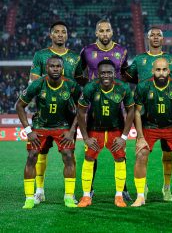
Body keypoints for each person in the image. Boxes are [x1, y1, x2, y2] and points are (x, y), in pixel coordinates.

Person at [125, 27, 172, 202]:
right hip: (145, 116)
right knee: (141, 153)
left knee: (169, 154)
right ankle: (141, 188)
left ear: (163, 38)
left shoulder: (171, 59)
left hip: (168, 115)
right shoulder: (139, 59)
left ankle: (166, 188)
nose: (155, 37)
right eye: (152, 35)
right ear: (147, 38)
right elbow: (128, 77)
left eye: (158, 35)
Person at [29, 21, 84, 205]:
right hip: (44, 115)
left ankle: (70, 193)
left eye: (64, 32)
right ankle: (39, 191)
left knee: (69, 154)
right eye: (57, 32)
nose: (60, 35)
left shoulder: (75, 58)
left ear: (67, 36)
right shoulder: (40, 55)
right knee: (39, 153)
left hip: (68, 116)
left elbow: (79, 87)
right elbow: (34, 83)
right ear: (50, 35)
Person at [16, 55, 81, 209]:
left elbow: (82, 108)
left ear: (62, 67)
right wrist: (28, 131)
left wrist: (72, 131)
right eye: (52, 66)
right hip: (40, 126)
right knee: (32, 156)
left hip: (63, 125)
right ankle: (30, 197)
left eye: (58, 66)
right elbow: (19, 106)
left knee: (68, 155)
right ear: (46, 68)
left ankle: (69, 196)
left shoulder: (71, 85)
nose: (55, 69)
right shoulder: (38, 84)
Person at [79, 19, 131, 200]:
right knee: (91, 150)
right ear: (96, 33)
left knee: (120, 148)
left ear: (112, 32)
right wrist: (90, 88)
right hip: (94, 108)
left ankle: (123, 190)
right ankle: (89, 190)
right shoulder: (87, 51)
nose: (105, 34)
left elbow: (125, 73)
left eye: (107, 30)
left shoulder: (122, 51)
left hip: (116, 106)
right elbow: (79, 73)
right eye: (101, 31)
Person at [131, 58, 172, 207]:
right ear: (153, 71)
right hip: (150, 126)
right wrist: (140, 137)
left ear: (169, 71)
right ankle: (140, 196)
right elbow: (136, 112)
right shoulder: (143, 86)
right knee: (141, 154)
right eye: (158, 70)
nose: (161, 73)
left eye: (164, 70)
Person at [76, 60, 134, 208]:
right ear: (98, 74)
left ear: (114, 73)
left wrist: (124, 137)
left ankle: (119, 196)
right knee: (89, 159)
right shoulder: (90, 87)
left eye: (109, 72)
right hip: (95, 131)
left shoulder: (123, 88)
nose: (106, 75)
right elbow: (80, 112)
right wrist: (86, 138)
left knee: (120, 160)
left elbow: (131, 111)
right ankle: (86, 196)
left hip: (116, 132)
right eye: (103, 73)